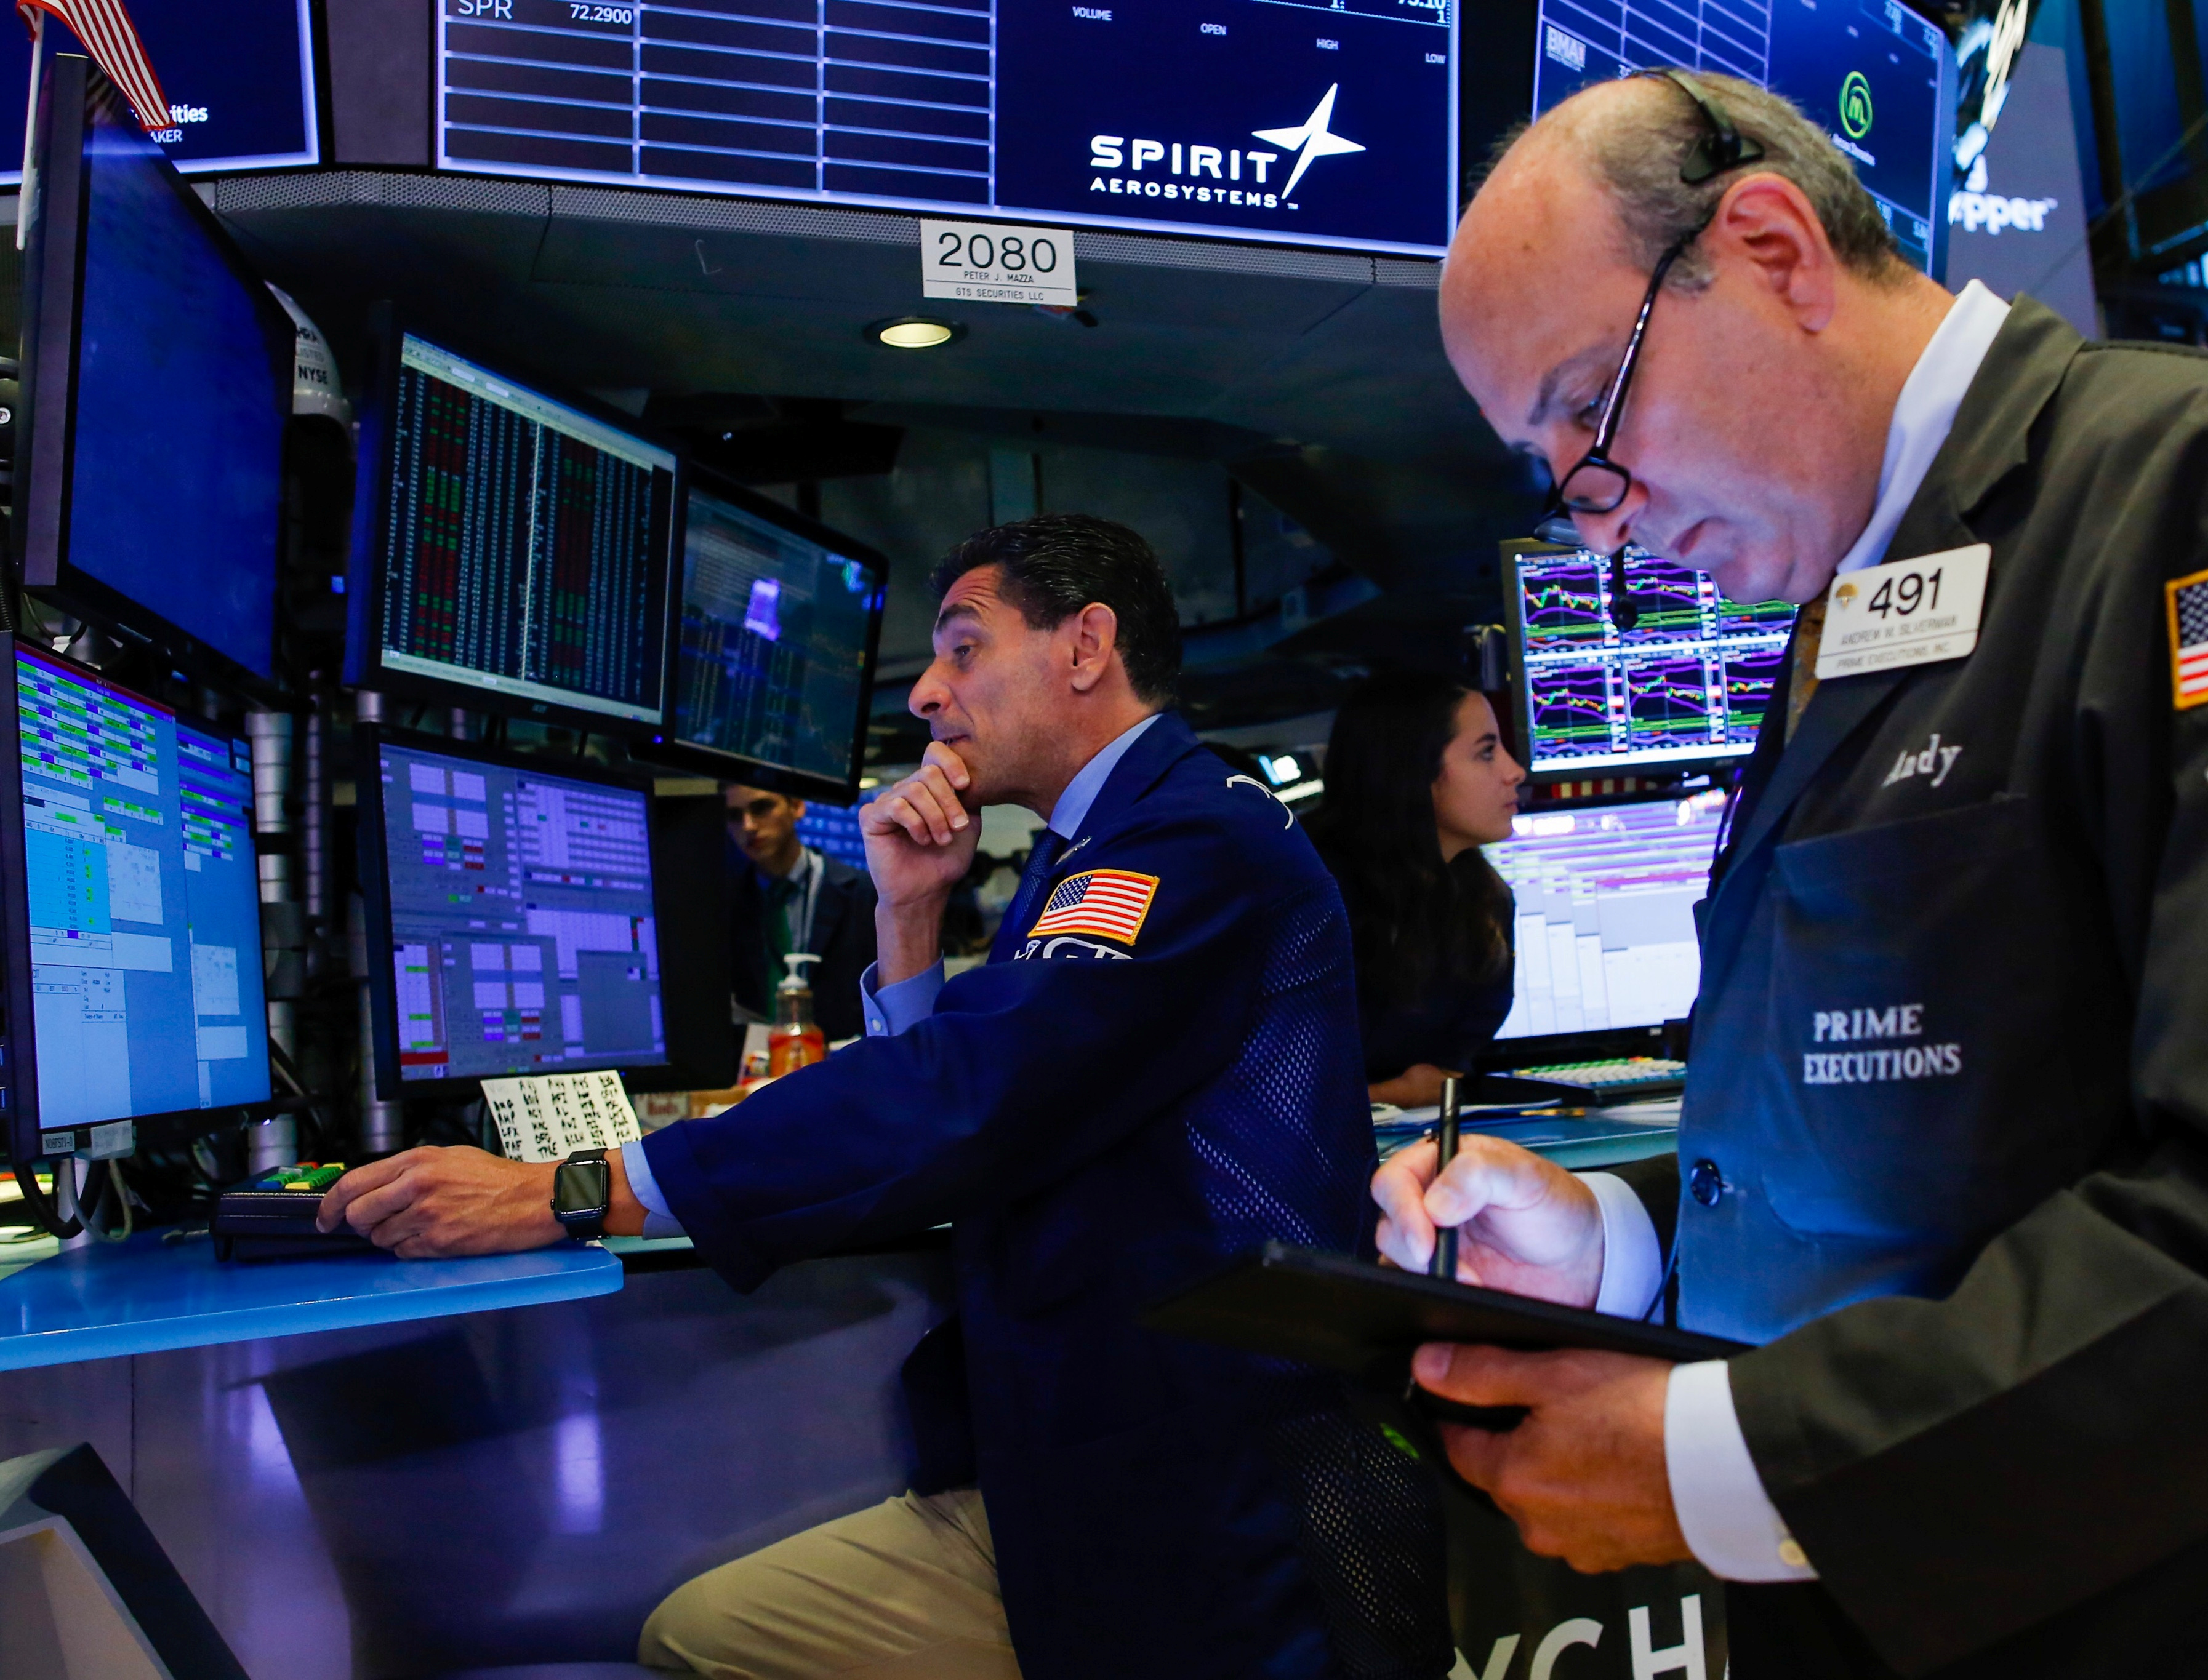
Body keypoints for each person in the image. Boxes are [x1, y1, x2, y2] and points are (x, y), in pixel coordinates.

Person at [1371, 66, 2208, 1678]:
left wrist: (1737, 1459)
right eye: (1546, 461)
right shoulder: (1848, 617)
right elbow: (1948, 1153)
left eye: (1589, 408)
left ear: (1772, 250)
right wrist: (1613, 1248)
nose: (1595, 519)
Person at [316, 514, 1446, 1680]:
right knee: (704, 1631)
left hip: (1213, 1505)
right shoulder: (1099, 841)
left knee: (701, 1639)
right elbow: (989, 1095)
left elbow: (967, 1093)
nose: (924, 693)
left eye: (964, 647)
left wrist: (570, 1189)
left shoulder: (1186, 841)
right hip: (1114, 1457)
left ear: (1084, 646)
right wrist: (909, 913)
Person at [1306, 671, 1526, 1107]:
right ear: (1411, 768)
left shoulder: (1484, 902)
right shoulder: (1307, 892)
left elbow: (1449, 1068)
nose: (1515, 772)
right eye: (1486, 753)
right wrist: (1395, 1094)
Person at [723, 781, 879, 1046]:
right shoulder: (726, 901)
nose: (748, 826)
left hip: (846, 1056)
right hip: (761, 1059)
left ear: (797, 806)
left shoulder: (862, 893)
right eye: (734, 816)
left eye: (762, 808)